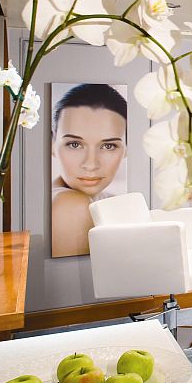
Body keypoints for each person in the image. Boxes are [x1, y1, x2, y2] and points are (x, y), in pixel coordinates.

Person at [51, 84, 128, 257]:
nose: (91, 164)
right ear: (52, 145)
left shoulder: (110, 200)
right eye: (75, 144)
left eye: (108, 146)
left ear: (126, 149)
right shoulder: (70, 205)